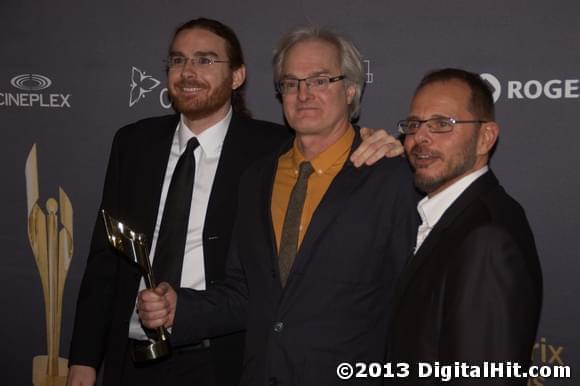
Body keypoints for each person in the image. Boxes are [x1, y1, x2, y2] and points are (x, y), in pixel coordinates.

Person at [67, 18, 402, 386]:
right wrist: (84, 359)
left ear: (238, 76)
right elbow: (105, 260)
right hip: (141, 355)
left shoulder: (272, 149)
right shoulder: (135, 145)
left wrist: (385, 142)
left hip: (228, 360)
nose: (188, 72)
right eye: (178, 61)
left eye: (206, 60)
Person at [385, 68, 542, 385]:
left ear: (485, 137)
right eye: (414, 125)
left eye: (442, 124)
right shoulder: (453, 217)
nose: (421, 138)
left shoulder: (487, 237)